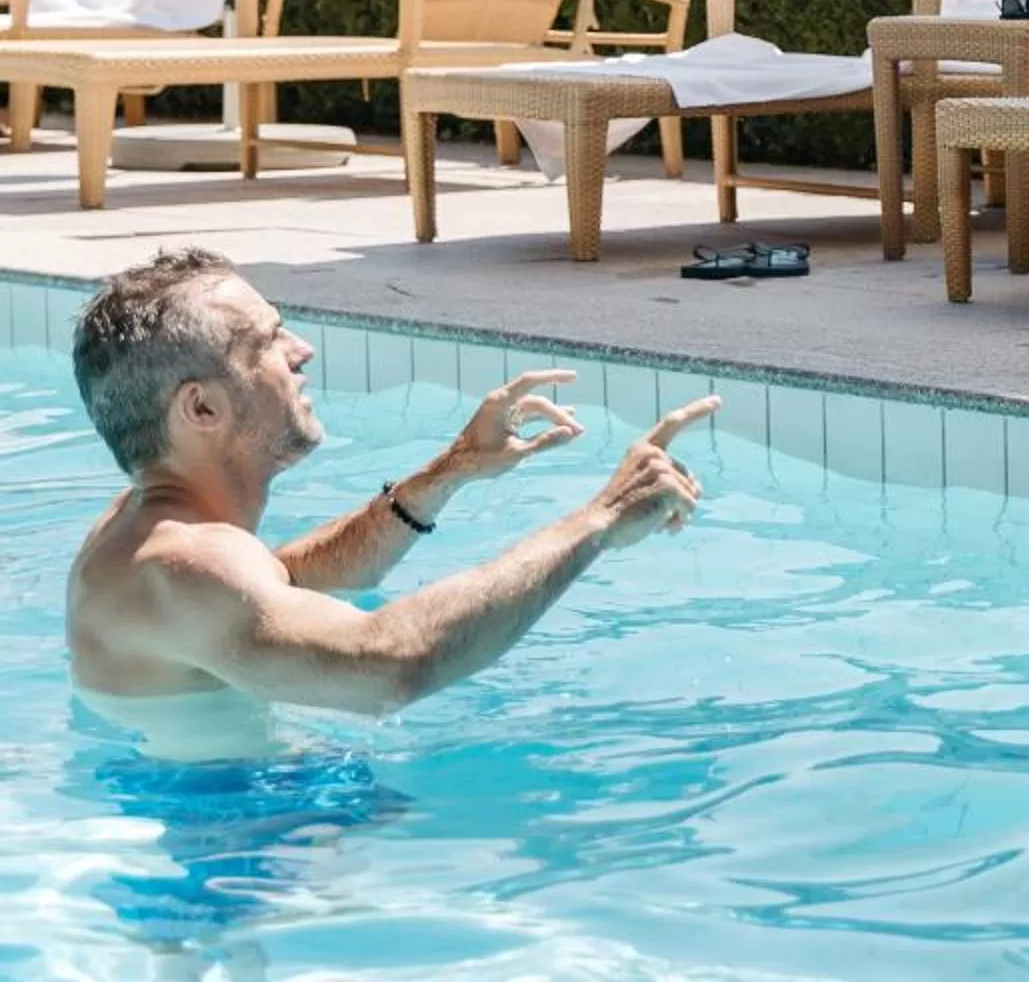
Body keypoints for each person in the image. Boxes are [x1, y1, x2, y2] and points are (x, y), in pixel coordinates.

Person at [64, 249, 712, 755]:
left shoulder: (157, 535)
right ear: (201, 407)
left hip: (231, 811)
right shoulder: (181, 567)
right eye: (267, 340)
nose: (301, 351)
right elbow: (387, 666)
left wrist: (449, 472)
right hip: (233, 862)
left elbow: (281, 581)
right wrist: (596, 521)